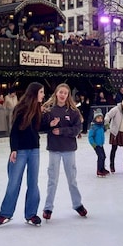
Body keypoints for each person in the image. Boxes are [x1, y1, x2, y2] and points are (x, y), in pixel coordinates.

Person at [0, 82, 58, 227]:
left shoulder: (37, 109)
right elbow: (15, 130)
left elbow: (37, 128)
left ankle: (31, 214)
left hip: (34, 150)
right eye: (41, 92)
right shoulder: (21, 108)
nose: (43, 95)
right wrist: (14, 149)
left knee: (33, 183)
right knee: (14, 182)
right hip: (20, 150)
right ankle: (5, 213)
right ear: (34, 93)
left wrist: (50, 125)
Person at [41, 83, 88, 221]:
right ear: (56, 93)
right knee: (52, 179)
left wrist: (61, 131)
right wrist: (50, 125)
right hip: (54, 149)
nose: (62, 95)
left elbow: (77, 129)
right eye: (60, 92)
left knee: (72, 179)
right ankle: (48, 207)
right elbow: (42, 127)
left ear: (68, 96)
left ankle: (77, 204)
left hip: (68, 149)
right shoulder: (49, 111)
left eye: (65, 93)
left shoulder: (73, 112)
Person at [87, 109, 109, 177]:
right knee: (100, 156)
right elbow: (90, 137)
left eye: (101, 118)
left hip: (101, 144)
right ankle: (99, 170)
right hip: (96, 145)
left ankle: (102, 169)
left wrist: (106, 127)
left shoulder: (101, 126)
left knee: (103, 156)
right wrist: (93, 144)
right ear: (95, 119)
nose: (100, 119)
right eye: (98, 118)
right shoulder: (94, 127)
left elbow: (103, 131)